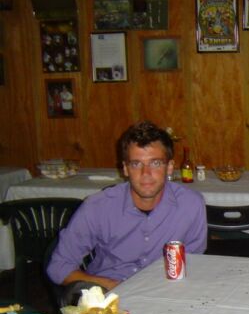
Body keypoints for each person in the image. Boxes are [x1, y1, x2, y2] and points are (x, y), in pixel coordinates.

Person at [47, 121, 207, 303]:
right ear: (125, 168)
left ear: (170, 167)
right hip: (109, 297)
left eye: (155, 163)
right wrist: (109, 284)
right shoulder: (98, 206)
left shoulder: (191, 204)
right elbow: (58, 267)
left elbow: (194, 262)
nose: (146, 173)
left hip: (166, 294)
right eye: (136, 164)